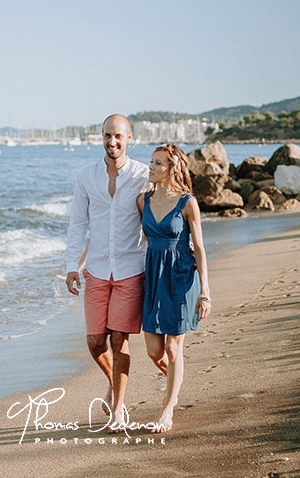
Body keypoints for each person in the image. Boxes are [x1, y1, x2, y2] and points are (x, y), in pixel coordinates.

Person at [65, 114, 149, 427]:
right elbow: (78, 223)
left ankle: (118, 409)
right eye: (107, 136)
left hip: (130, 268)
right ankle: (115, 385)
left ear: (129, 138)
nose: (112, 142)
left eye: (118, 136)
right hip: (97, 269)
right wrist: (72, 266)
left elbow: (154, 219)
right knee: (95, 342)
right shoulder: (86, 175)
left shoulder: (142, 175)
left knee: (119, 340)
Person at [137, 144, 211, 433]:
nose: (151, 168)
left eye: (158, 164)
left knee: (172, 345)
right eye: (151, 162)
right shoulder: (143, 200)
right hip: (154, 276)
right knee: (154, 351)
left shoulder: (187, 202)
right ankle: (176, 381)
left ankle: (167, 409)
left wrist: (205, 292)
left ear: (171, 169)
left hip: (181, 275)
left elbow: (201, 248)